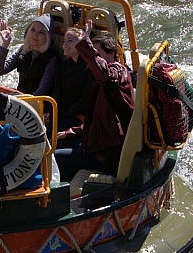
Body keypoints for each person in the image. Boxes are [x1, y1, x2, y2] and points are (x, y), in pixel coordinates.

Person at [54, 21, 135, 181]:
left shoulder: (117, 73)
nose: (90, 59)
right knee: (49, 146)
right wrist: (70, 132)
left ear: (111, 54)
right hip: (95, 144)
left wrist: (84, 44)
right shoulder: (101, 80)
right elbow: (98, 121)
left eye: (95, 54)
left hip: (106, 154)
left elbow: (105, 74)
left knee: (48, 158)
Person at [0, 14, 59, 95]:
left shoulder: (52, 58)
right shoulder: (22, 50)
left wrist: (25, 100)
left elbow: (43, 88)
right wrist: (5, 44)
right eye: (33, 30)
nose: (35, 35)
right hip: (20, 97)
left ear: (47, 37)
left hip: (37, 101)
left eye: (41, 32)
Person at [52, 26, 95, 132]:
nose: (65, 44)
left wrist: (60, 115)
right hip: (62, 112)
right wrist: (51, 112)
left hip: (78, 115)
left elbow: (84, 102)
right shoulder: (63, 66)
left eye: (70, 41)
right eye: (64, 41)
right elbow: (56, 92)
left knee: (47, 130)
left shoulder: (89, 69)